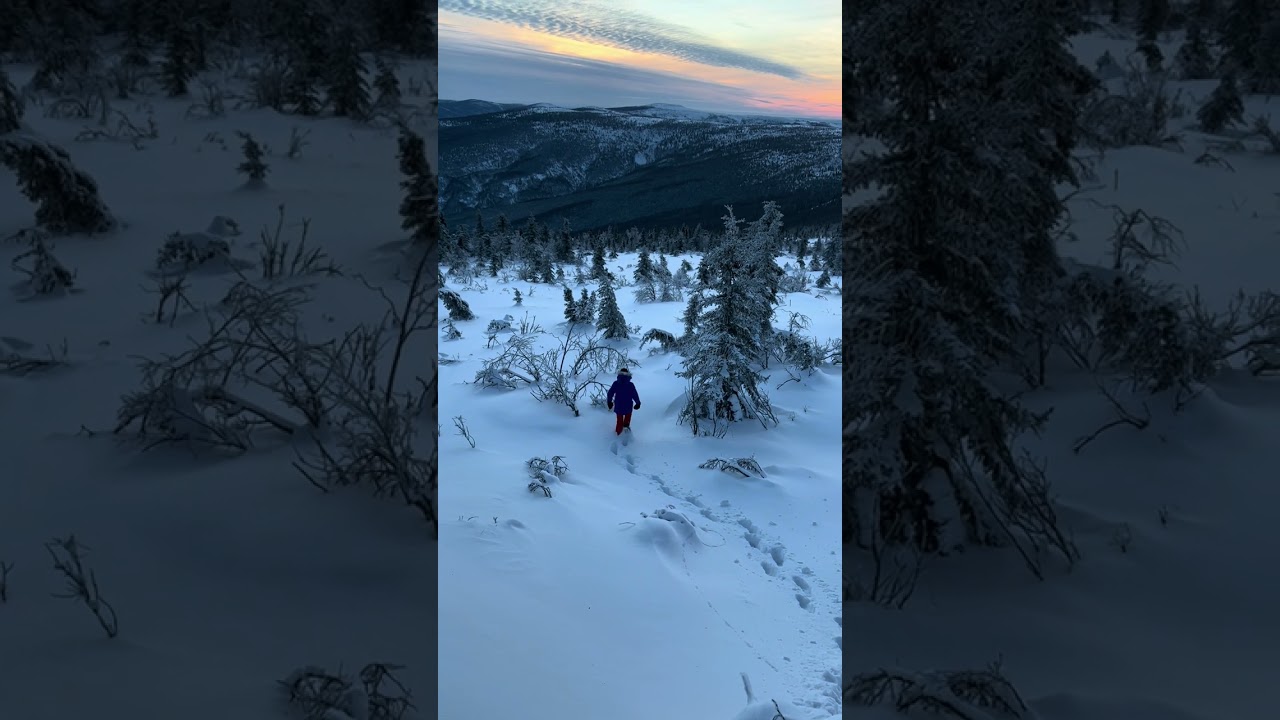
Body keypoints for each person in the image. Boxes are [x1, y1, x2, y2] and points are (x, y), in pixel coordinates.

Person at [606, 367, 641, 435]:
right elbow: (635, 394)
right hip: (628, 406)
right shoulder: (630, 385)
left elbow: (610, 393)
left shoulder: (616, 383)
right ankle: (626, 433)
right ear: (628, 375)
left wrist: (609, 401)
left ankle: (618, 434)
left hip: (619, 406)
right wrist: (638, 403)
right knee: (627, 421)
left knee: (619, 422)